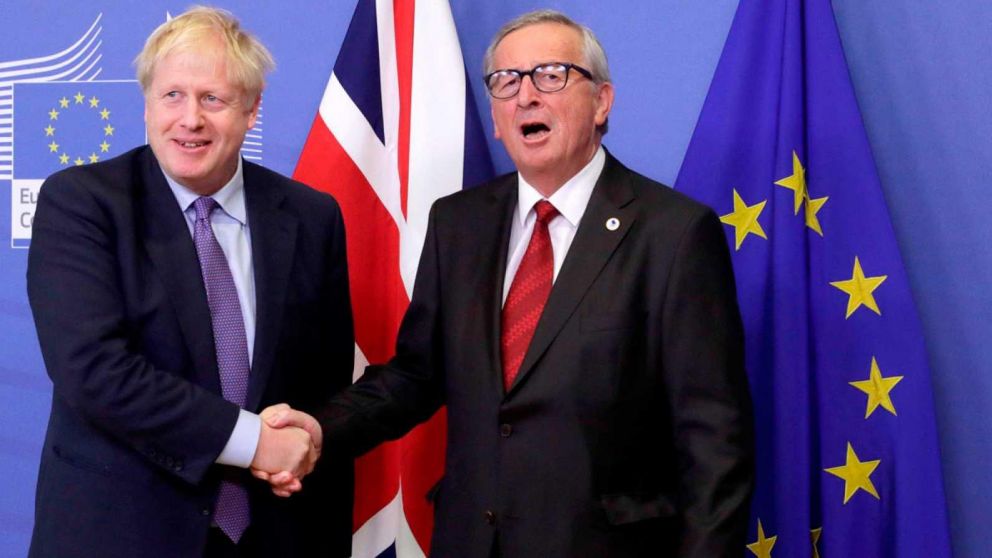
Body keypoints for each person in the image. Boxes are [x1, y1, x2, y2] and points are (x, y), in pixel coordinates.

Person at [269, 8, 754, 558]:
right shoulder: (459, 223)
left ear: (601, 102)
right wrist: (319, 430)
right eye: (506, 81)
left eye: (550, 75)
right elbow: (416, 375)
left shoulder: (674, 233)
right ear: (496, 119)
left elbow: (715, 443)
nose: (526, 95)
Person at [26, 7, 354, 557]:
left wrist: (297, 443)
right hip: (122, 533)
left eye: (213, 99)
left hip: (275, 533)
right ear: (148, 103)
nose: (190, 119)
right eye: (172, 95)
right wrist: (256, 444)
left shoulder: (311, 215)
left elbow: (323, 376)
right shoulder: (83, 203)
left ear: (252, 110)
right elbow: (95, 370)